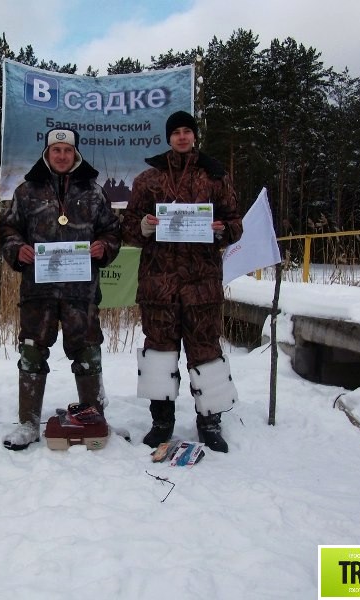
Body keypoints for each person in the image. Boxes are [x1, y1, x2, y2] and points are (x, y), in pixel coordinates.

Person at [122, 111, 243, 453]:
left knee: (206, 349)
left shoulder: (215, 176)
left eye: (187, 131)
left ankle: (210, 421)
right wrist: (144, 226)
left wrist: (223, 230)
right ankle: (161, 422)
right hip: (158, 283)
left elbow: (236, 223)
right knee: (159, 350)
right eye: (176, 132)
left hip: (202, 283)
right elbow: (128, 228)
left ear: (194, 135)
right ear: (168, 137)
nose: (182, 136)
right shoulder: (148, 179)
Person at [0, 128, 121, 450]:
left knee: (88, 351)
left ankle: (95, 420)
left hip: (81, 291)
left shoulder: (94, 192)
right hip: (38, 289)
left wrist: (104, 247)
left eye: (68, 151)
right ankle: (28, 424)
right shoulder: (26, 191)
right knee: (32, 351)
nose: (62, 156)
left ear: (75, 154)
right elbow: (8, 228)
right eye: (57, 150)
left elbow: (112, 230)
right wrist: (17, 249)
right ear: (47, 154)